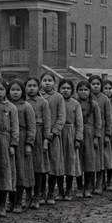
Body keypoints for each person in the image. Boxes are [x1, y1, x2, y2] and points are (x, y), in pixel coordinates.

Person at [0, 78, 18, 216]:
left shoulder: (11, 107)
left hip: (5, 141)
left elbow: (15, 128)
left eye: (1, 89)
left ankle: (2, 205)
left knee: (5, 172)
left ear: (6, 91)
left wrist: (13, 144)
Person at [8, 79, 35, 213]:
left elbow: (31, 127)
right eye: (12, 90)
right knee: (9, 170)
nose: (15, 92)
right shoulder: (6, 105)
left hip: (22, 139)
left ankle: (18, 201)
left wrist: (29, 143)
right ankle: (10, 200)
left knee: (20, 171)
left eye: (18, 90)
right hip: (7, 138)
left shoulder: (26, 106)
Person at [24, 78, 51, 209]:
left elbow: (47, 123)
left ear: (39, 87)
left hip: (39, 135)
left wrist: (46, 140)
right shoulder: (22, 102)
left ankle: (38, 195)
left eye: (34, 86)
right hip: (26, 134)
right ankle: (28, 195)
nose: (32, 88)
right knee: (28, 166)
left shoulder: (43, 102)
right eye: (29, 86)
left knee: (39, 167)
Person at [40, 73, 66, 204]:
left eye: (50, 80)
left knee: (53, 164)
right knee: (41, 165)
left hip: (53, 137)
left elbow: (61, 117)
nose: (47, 83)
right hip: (39, 136)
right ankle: (40, 193)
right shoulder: (37, 97)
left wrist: (53, 132)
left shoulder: (58, 97)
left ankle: (51, 193)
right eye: (44, 80)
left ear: (54, 83)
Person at [57, 79, 83, 200]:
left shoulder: (75, 104)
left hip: (71, 134)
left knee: (70, 162)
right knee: (59, 162)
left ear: (72, 90)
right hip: (59, 133)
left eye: (68, 88)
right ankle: (60, 190)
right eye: (63, 88)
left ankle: (68, 190)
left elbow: (79, 123)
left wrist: (78, 138)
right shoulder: (57, 101)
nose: (65, 90)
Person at [76, 80, 101, 198]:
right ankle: (79, 187)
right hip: (78, 134)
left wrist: (97, 136)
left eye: (85, 90)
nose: (83, 92)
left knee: (90, 162)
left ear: (89, 91)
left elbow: (98, 122)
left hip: (90, 135)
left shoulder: (94, 104)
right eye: (80, 90)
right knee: (78, 161)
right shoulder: (75, 103)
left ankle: (88, 187)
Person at [88, 75, 112, 193]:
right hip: (88, 132)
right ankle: (90, 183)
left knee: (101, 159)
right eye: (93, 84)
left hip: (101, 132)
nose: (96, 86)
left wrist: (108, 134)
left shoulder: (105, 99)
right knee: (91, 159)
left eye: (98, 84)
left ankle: (99, 183)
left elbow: (109, 118)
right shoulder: (86, 98)